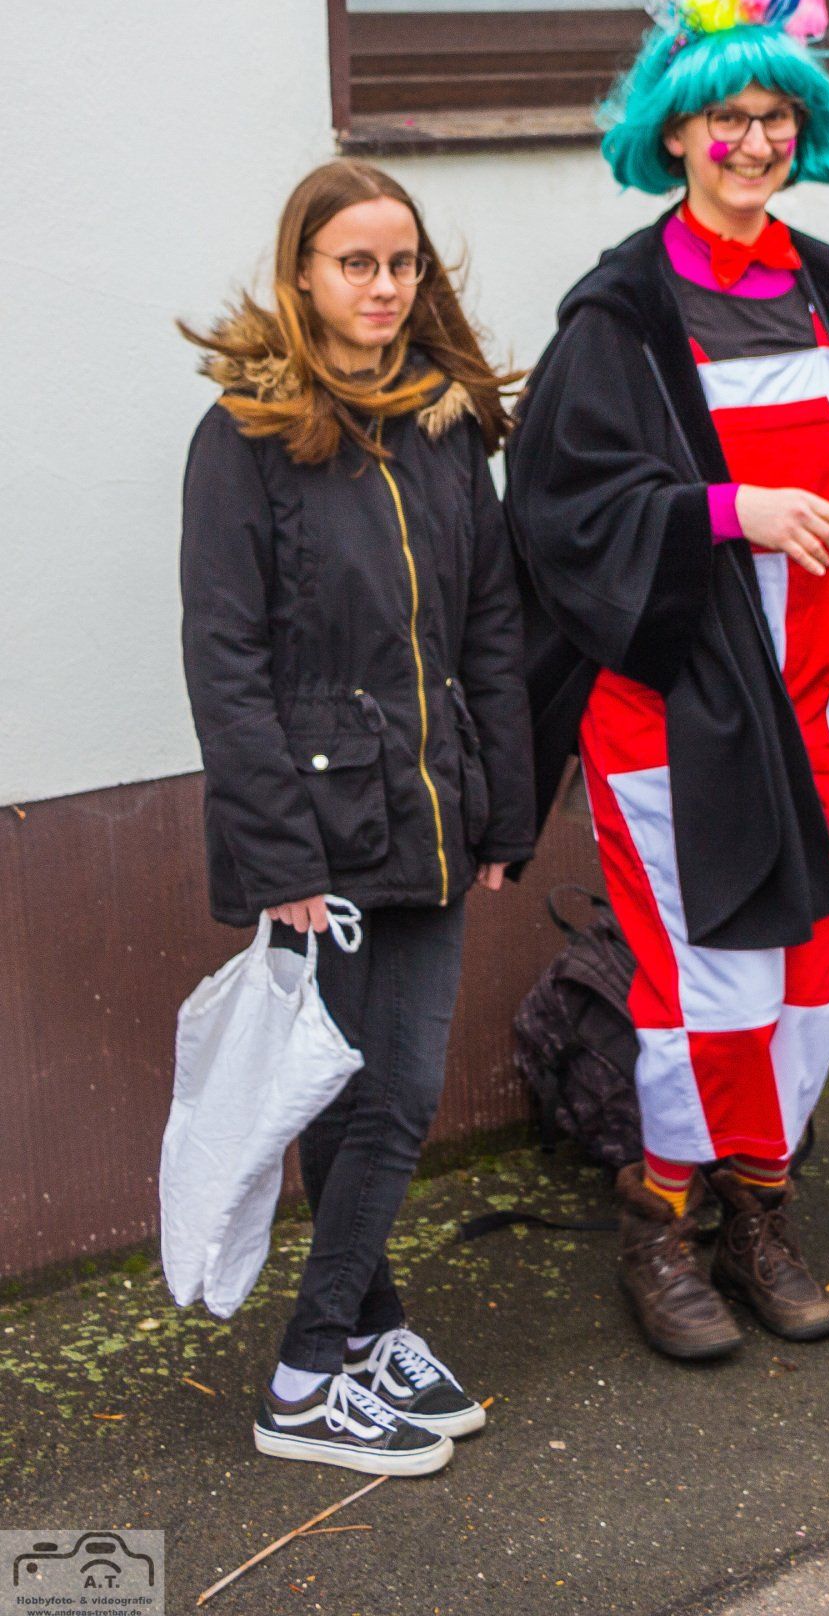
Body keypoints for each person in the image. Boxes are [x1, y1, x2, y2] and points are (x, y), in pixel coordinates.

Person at [507, 0, 829, 1362]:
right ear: (673, 130)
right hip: (675, 718)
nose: (755, 142)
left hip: (821, 701)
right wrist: (726, 513)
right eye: (727, 117)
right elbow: (561, 511)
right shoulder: (621, 315)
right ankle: (659, 1225)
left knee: (814, 985)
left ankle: (758, 1215)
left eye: (777, 116)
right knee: (705, 993)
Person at [180, 160, 534, 1474]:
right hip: (319, 833)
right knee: (369, 1102)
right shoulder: (244, 437)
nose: (384, 287)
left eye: (402, 263)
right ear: (304, 274)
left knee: (378, 1097)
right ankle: (304, 1379)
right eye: (356, 264)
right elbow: (224, 661)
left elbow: (489, 623)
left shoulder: (446, 426)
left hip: (432, 815)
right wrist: (275, 852)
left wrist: (503, 806)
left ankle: (372, 1327)